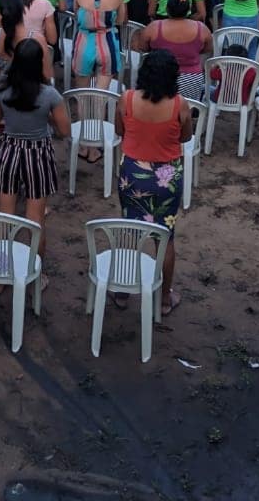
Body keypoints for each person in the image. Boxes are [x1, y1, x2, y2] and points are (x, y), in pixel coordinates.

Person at [114, 51, 193, 317]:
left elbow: (119, 130)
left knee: (128, 229)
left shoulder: (126, 99)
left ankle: (122, 290)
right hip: (166, 177)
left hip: (133, 173)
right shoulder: (179, 105)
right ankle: (165, 299)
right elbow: (186, 136)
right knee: (166, 237)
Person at [0, 38, 70, 269]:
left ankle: (1, 270)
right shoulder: (50, 95)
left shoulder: (1, 91)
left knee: (5, 216)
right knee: (36, 219)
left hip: (9, 151)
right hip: (38, 155)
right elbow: (64, 130)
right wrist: (47, 117)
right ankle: (35, 270)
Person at [137, 0, 211, 101]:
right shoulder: (202, 29)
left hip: (159, 77)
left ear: (167, 9)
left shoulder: (154, 27)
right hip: (191, 78)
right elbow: (208, 49)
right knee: (187, 109)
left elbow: (142, 47)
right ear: (188, 10)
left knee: (161, 108)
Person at [72, 0, 125, 97]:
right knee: (101, 97)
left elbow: (77, 16)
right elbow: (120, 20)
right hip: (107, 43)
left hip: (84, 42)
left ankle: (83, 120)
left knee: (82, 95)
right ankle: (98, 120)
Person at [0, 0, 53, 82]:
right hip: (32, 93)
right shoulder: (37, 39)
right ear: (23, 10)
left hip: (6, 93)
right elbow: (47, 76)